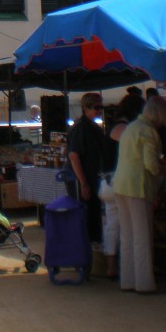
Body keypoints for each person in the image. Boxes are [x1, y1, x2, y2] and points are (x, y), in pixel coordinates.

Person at [113, 95, 166, 293]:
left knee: (127, 236)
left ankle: (127, 280)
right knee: (142, 237)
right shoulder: (148, 132)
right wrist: (163, 168)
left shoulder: (131, 128)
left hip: (120, 185)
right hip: (138, 187)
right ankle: (144, 283)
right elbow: (151, 165)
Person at [100, 92, 144, 279]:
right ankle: (128, 268)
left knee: (112, 225)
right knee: (128, 227)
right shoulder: (125, 129)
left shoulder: (113, 127)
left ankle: (111, 266)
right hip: (119, 182)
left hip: (106, 183)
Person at [65, 92, 106, 245]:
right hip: (83, 179)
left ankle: (92, 248)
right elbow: (74, 156)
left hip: (93, 177)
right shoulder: (81, 128)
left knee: (93, 215)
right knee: (85, 215)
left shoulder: (93, 127)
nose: (100, 110)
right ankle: (85, 251)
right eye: (97, 107)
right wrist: (83, 183)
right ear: (87, 107)